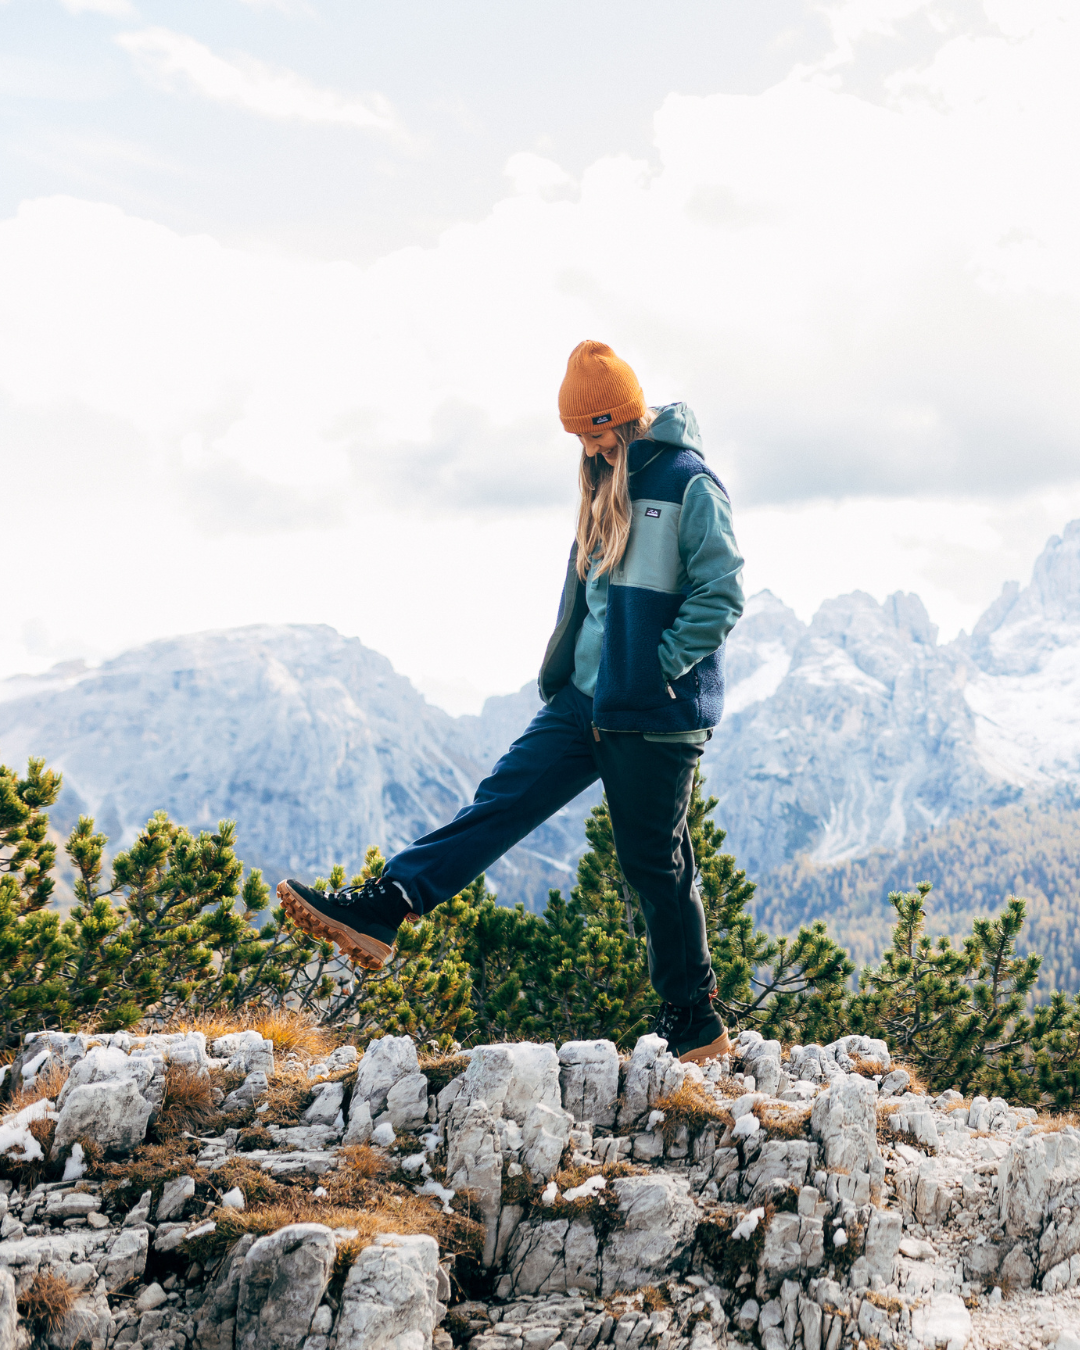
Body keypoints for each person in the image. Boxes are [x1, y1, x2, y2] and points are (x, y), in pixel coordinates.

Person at [278, 340, 745, 1062]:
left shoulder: (689, 483)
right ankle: (388, 906)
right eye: (579, 435)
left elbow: (722, 592)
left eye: (596, 430)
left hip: (653, 710)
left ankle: (695, 1021)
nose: (588, 446)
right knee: (497, 802)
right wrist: (571, 671)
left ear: (625, 416)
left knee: (655, 863)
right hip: (584, 700)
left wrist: (657, 668)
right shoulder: (599, 481)